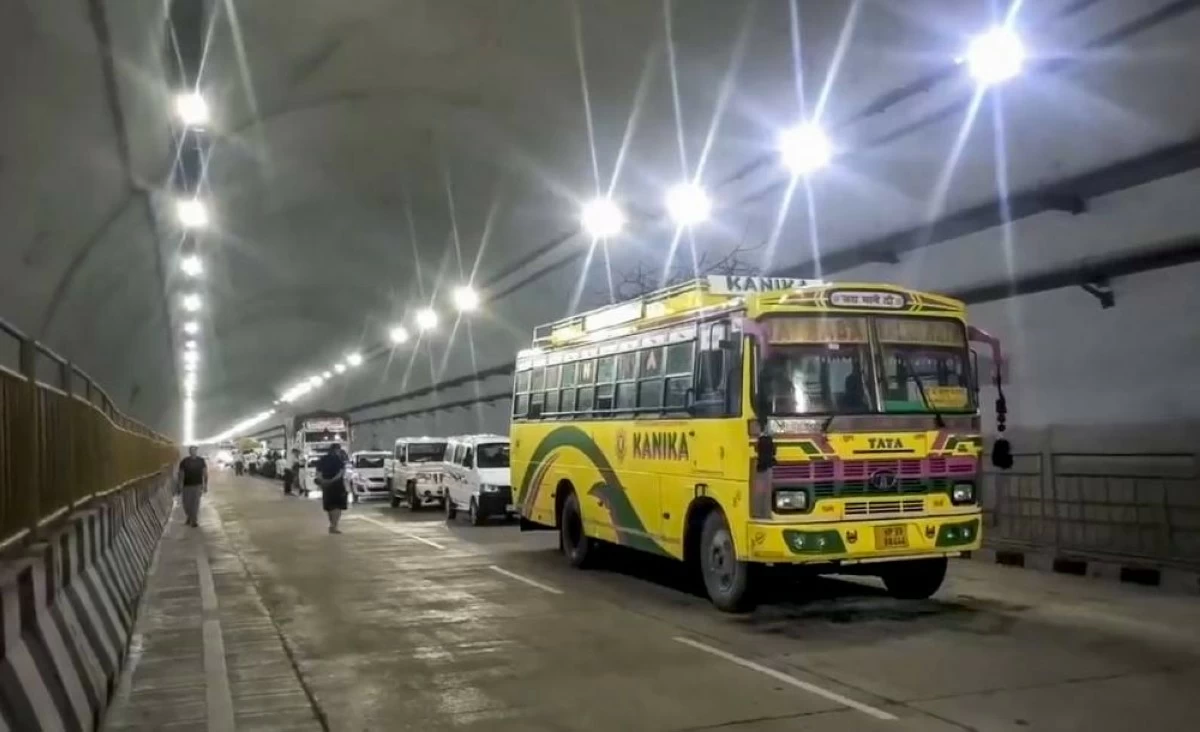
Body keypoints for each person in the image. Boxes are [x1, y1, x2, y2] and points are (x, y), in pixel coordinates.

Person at [315, 443, 348, 534]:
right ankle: (334, 526)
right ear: (337, 450)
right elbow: (341, 473)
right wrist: (332, 480)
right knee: (337, 506)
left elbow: (318, 472)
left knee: (329, 506)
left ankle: (332, 524)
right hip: (337, 485)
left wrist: (323, 481)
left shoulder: (323, 459)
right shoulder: (339, 460)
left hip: (325, 485)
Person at [177, 446, 208, 527]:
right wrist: (180, 484)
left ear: (196, 451)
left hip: (198, 485)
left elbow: (205, 472)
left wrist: (205, 485)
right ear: (189, 452)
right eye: (191, 450)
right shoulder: (184, 461)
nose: (193, 452)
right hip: (186, 485)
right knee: (186, 504)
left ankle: (194, 520)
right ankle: (189, 516)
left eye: (194, 450)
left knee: (195, 503)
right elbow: (181, 473)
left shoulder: (201, 461)